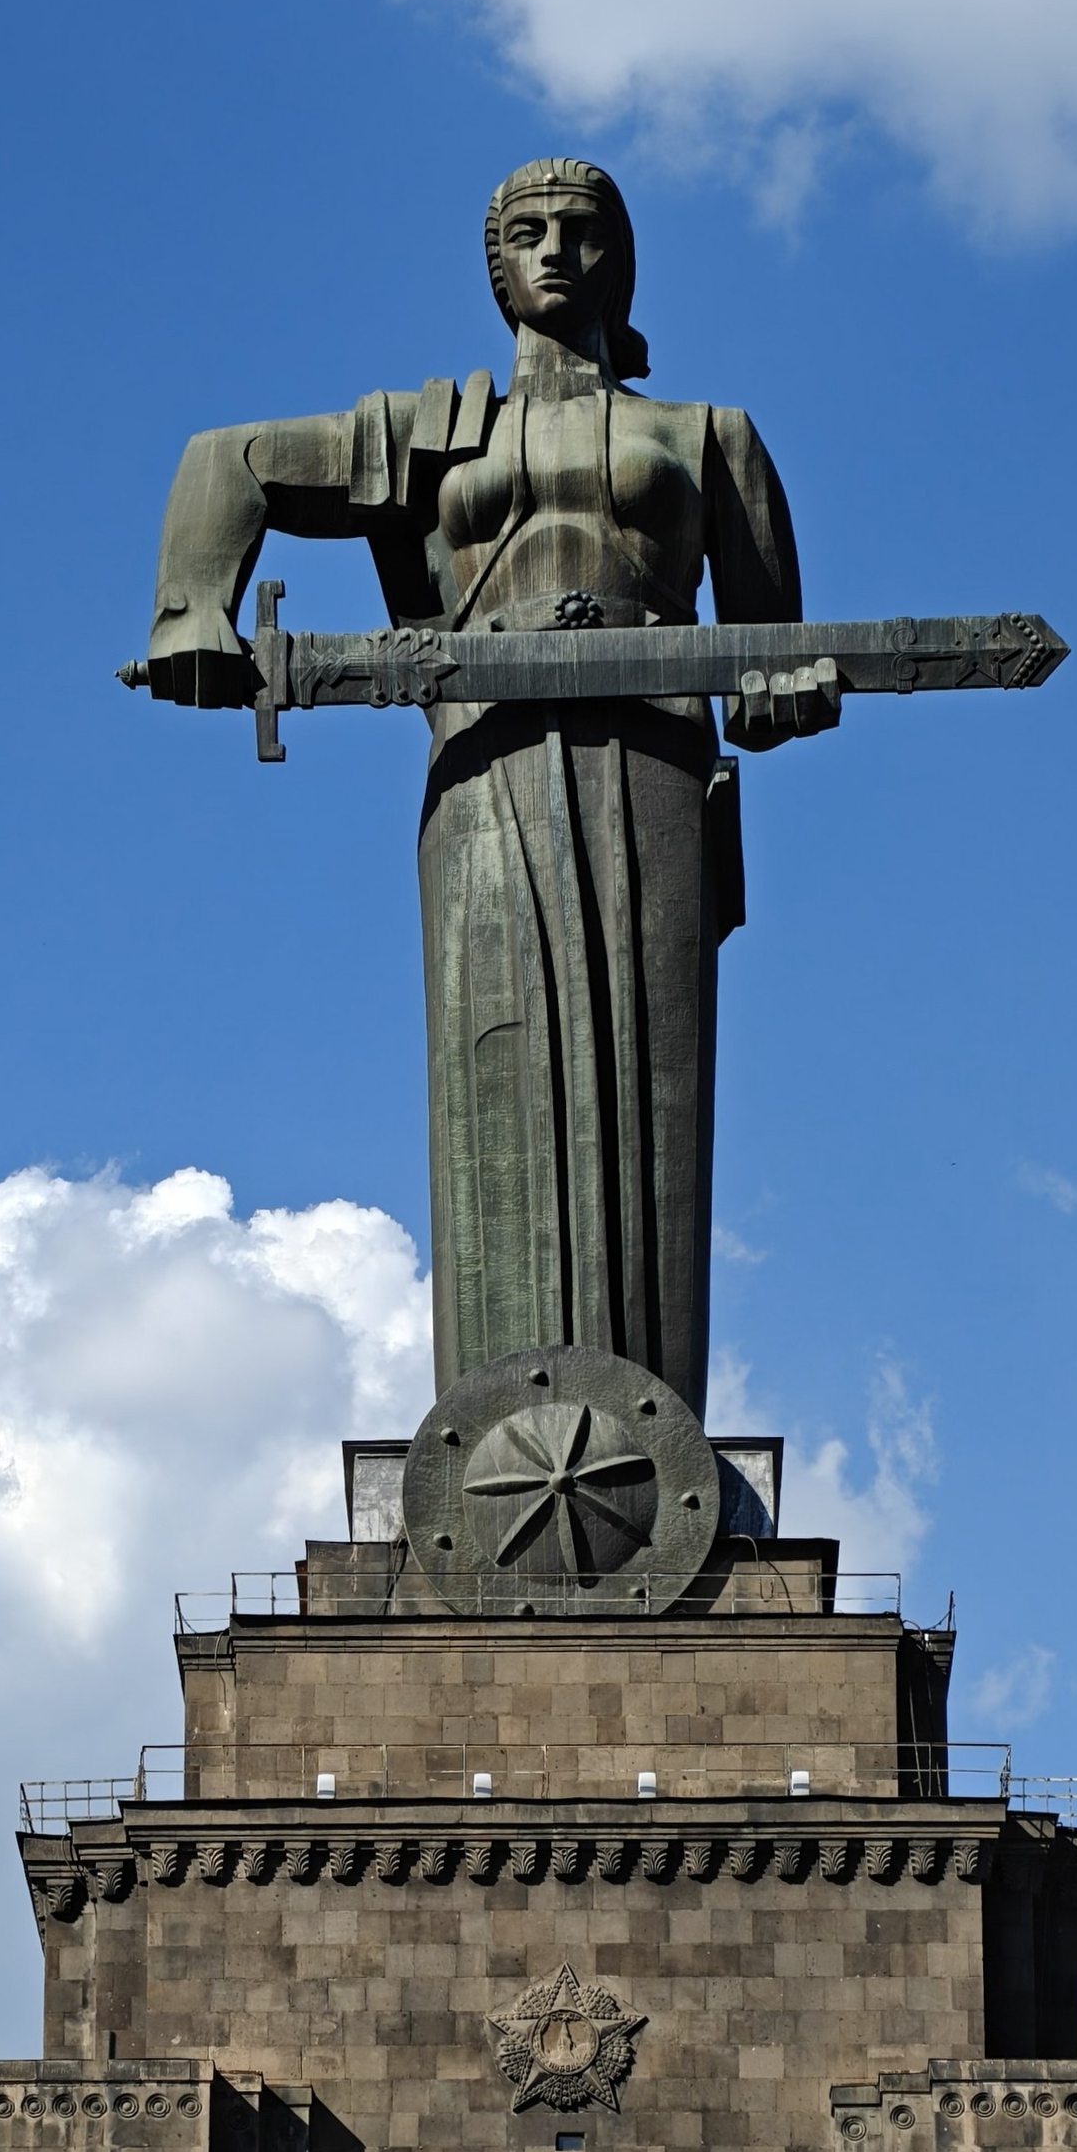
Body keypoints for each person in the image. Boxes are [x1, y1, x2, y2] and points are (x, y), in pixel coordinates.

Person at [141, 158, 839, 1414]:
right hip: (482, 760)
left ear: (623, 261)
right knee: (493, 1063)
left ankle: (645, 1420)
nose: (557, 250)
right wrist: (192, 607)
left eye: (584, 231)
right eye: (529, 232)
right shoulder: (433, 430)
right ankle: (490, 1423)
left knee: (649, 1080)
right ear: (496, 265)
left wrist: (784, 692)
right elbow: (224, 459)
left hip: (653, 764)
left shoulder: (706, 436)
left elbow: (769, 656)